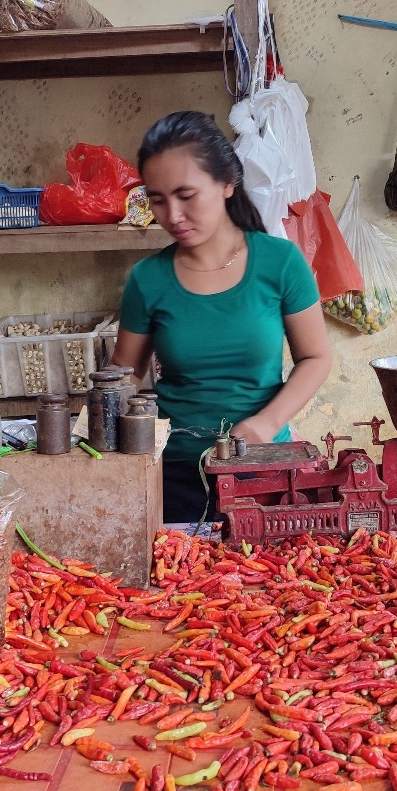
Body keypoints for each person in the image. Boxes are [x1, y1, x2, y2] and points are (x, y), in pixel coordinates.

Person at [111, 111, 332, 523]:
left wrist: (266, 424)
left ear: (227, 183)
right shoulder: (148, 280)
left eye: (186, 195)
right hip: (176, 473)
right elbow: (122, 376)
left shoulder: (279, 262)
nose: (172, 215)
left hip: (265, 468)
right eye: (157, 199)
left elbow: (316, 359)